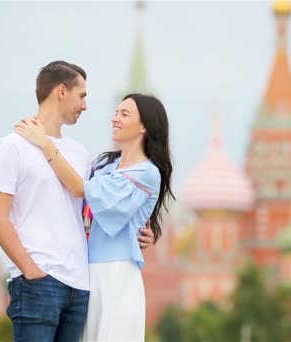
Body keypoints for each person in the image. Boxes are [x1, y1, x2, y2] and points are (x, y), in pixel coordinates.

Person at [0, 61, 154, 342]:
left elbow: (86, 211)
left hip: (79, 287)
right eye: (82, 95)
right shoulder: (13, 146)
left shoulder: (79, 154)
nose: (86, 105)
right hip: (38, 281)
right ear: (61, 92)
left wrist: (137, 232)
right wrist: (31, 271)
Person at [15, 92, 174, 341]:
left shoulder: (147, 173)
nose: (115, 118)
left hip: (117, 276)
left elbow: (80, 188)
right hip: (85, 274)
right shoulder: (103, 165)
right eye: (116, 112)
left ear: (144, 126)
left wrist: (45, 143)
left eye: (124, 114)